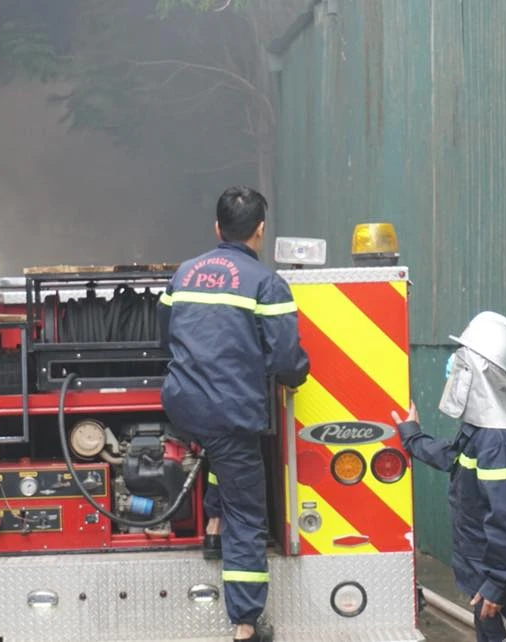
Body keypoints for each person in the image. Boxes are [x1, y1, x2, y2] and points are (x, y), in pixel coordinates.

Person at [158, 186, 310, 642]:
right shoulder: (266, 283)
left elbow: (166, 338)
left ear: (217, 228)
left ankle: (212, 523)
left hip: (185, 404)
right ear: (260, 231)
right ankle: (245, 623)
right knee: (248, 514)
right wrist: (296, 376)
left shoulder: (183, 274)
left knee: (220, 452)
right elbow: (285, 357)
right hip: (229, 410)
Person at [392, 312, 506, 642]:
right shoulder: (486, 429)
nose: (454, 367)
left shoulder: (499, 440)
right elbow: (456, 458)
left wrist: (499, 584)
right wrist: (413, 437)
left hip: (501, 583)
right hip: (490, 575)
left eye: (462, 360)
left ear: (481, 371)